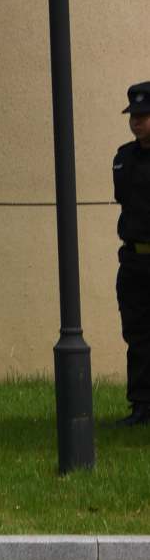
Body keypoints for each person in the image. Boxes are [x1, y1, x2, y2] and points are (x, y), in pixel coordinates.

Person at [116, 83, 150, 429]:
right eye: (133, 116)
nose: (136, 122)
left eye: (143, 116)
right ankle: (141, 406)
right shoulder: (124, 158)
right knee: (137, 334)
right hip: (134, 260)